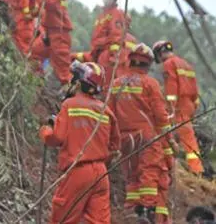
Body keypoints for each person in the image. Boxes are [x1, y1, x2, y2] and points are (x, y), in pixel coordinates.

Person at [39, 61, 120, 224]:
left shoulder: (70, 105)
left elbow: (57, 138)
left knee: (64, 218)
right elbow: (115, 146)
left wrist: (46, 131)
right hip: (101, 174)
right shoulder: (105, 110)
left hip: (77, 172)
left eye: (73, 79)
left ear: (78, 83)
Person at [108, 43, 176, 223]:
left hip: (125, 140)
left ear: (130, 61)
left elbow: (110, 116)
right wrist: (169, 141)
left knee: (132, 177)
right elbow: (161, 117)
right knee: (149, 174)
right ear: (148, 64)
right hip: (147, 138)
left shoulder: (116, 84)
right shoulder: (150, 84)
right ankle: (147, 212)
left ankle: (132, 212)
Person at [153, 40, 204, 176]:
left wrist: (170, 107)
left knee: (176, 136)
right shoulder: (186, 64)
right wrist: (194, 105)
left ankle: (194, 170)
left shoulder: (169, 64)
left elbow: (172, 87)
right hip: (189, 104)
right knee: (186, 136)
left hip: (179, 106)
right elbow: (194, 88)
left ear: (160, 53)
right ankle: (192, 168)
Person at [74, 0, 128, 93]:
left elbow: (116, 37)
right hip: (97, 53)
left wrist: (113, 57)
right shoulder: (102, 15)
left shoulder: (115, 14)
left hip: (107, 55)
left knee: (104, 85)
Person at [30, 0, 73, 88]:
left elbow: (48, 3)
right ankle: (37, 82)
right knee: (34, 53)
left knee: (63, 71)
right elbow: (36, 11)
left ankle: (71, 94)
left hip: (60, 36)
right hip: (49, 35)